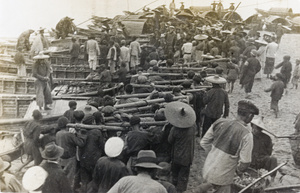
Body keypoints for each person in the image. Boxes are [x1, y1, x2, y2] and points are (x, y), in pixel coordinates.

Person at [200, 100, 259, 192]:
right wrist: (238, 172)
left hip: (208, 169)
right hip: (223, 178)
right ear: (249, 116)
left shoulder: (219, 122)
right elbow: (245, 162)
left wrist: (214, 155)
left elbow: (204, 142)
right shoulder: (247, 134)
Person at [166, 101, 196, 192]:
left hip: (176, 156)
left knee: (174, 175)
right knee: (183, 178)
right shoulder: (193, 127)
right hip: (187, 157)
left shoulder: (175, 129)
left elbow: (170, 141)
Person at [250, 116, 278, 181]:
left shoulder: (267, 138)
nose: (256, 130)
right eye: (254, 128)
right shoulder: (248, 136)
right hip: (250, 160)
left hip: (262, 159)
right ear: (252, 126)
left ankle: (272, 179)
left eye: (258, 129)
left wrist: (263, 156)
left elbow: (269, 152)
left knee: (273, 159)